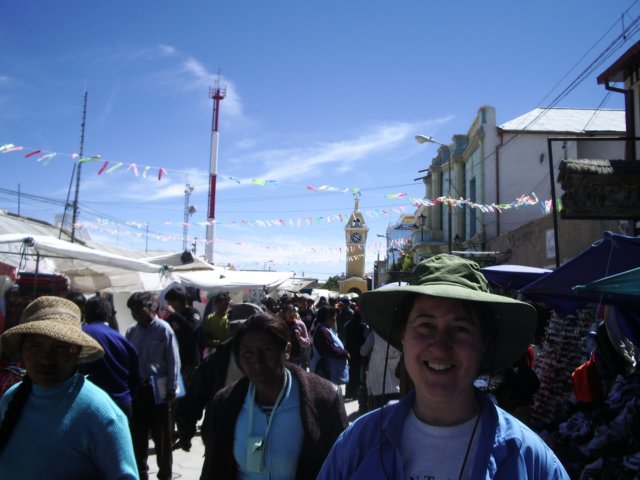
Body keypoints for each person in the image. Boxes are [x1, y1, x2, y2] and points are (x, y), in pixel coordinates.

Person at [318, 254, 569, 479]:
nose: (440, 346)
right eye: (425, 325)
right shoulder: (357, 446)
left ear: (484, 344)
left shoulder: (530, 460)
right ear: (403, 337)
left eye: (461, 329)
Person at [0, 296, 137, 479]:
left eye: (60, 347)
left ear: (77, 352)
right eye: (35, 346)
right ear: (22, 350)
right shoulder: (11, 398)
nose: (45, 358)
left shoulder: (100, 414)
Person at [200, 312, 348, 479]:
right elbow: (213, 467)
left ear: (287, 350)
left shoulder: (324, 399)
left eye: (267, 349)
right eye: (247, 353)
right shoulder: (224, 403)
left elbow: (344, 464)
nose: (257, 361)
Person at [175, 302, 263, 452]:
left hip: (258, 438)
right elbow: (195, 396)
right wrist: (186, 430)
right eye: (237, 327)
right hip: (221, 436)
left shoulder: (270, 358)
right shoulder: (218, 359)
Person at [126, 291, 181, 480]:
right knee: (138, 435)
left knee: (162, 437)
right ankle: (141, 473)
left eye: (139, 309)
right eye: (133, 311)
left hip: (159, 391)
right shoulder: (131, 331)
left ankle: (165, 474)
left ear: (150, 307)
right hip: (138, 391)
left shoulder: (164, 329)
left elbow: (173, 360)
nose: (136, 314)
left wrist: (173, 387)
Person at [81, 294, 140, 419]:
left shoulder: (80, 335)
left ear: (84, 314)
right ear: (109, 315)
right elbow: (135, 377)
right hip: (122, 403)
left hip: (90, 404)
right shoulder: (123, 341)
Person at [163, 285, 202, 386]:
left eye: (169, 302)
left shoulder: (193, 313)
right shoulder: (172, 317)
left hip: (191, 363)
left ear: (176, 302)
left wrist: (175, 314)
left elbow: (191, 328)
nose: (168, 305)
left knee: (191, 392)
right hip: (177, 361)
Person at [310, 306, 349, 387]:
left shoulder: (325, 329)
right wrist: (344, 354)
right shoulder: (322, 332)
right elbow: (329, 350)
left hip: (326, 368)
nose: (335, 319)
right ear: (328, 317)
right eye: (334, 316)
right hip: (324, 369)